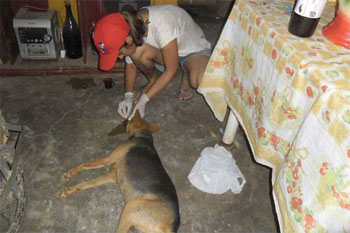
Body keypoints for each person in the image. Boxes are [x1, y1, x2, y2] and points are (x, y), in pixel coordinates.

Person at [93, 4, 211, 120]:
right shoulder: (131, 27)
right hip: (165, 51)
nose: (119, 58)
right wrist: (127, 96)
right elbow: (131, 65)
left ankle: (187, 71)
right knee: (135, 53)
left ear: (129, 41)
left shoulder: (161, 24)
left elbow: (171, 70)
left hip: (191, 51)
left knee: (198, 82)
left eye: (119, 53)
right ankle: (153, 80)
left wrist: (143, 101)